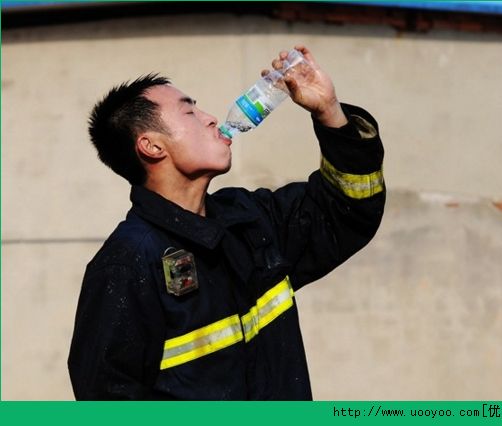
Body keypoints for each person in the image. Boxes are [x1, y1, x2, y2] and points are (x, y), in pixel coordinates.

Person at [68, 45, 385, 400]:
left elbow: (348, 210)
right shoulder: (126, 264)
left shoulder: (250, 221)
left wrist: (330, 112)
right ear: (152, 147)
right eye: (189, 111)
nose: (210, 118)